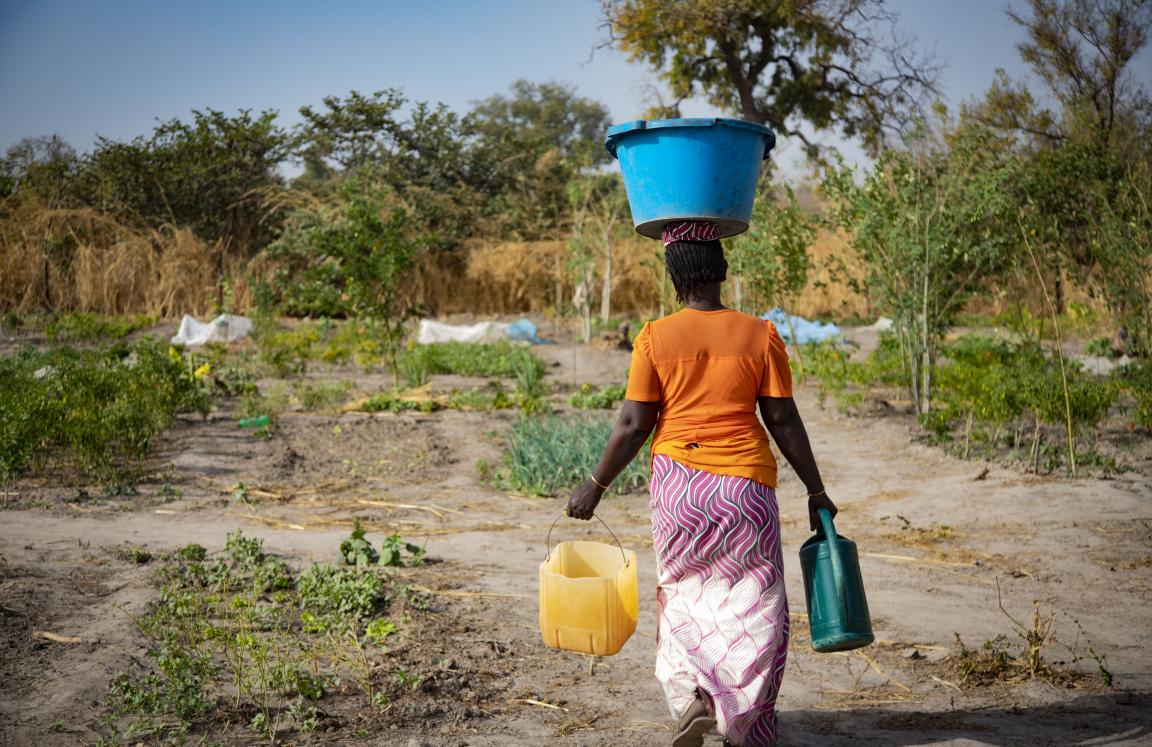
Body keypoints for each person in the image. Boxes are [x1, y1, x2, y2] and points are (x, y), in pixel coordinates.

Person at [566, 220, 837, 747]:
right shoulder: (761, 334)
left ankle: (693, 694)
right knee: (754, 603)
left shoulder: (654, 338)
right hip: (745, 488)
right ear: (722, 270)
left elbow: (633, 424)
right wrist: (816, 490)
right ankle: (740, 721)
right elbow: (782, 419)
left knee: (684, 593)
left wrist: (595, 485)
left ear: (674, 275)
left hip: (679, 490)